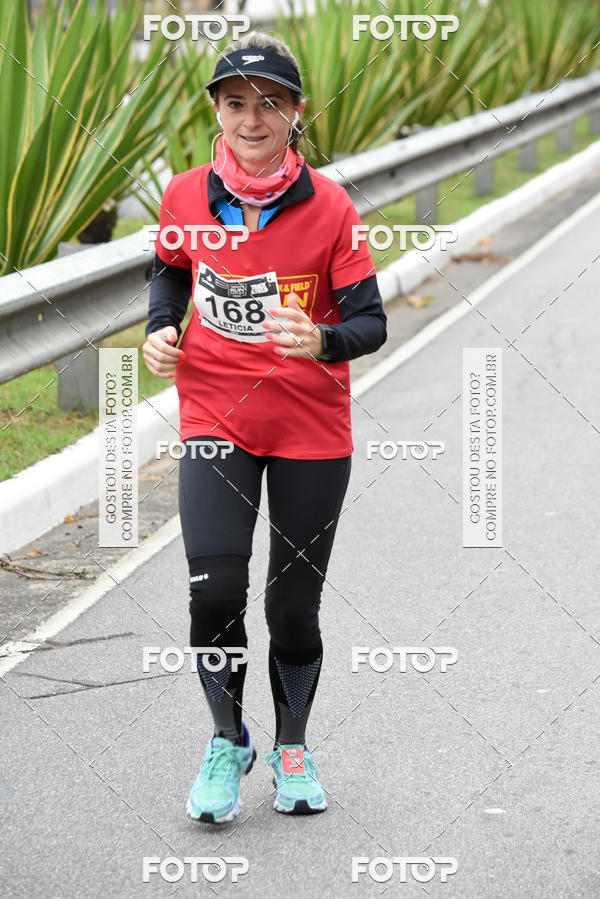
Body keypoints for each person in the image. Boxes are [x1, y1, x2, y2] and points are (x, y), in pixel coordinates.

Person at [142, 31, 387, 824]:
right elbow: (170, 267)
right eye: (236, 102)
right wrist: (161, 326)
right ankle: (226, 738)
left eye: (270, 103)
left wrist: (321, 339)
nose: (253, 119)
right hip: (215, 410)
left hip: (311, 424)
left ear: (296, 114)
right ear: (216, 109)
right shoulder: (183, 195)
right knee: (214, 589)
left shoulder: (330, 207)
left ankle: (292, 745)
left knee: (291, 608)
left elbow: (371, 322)